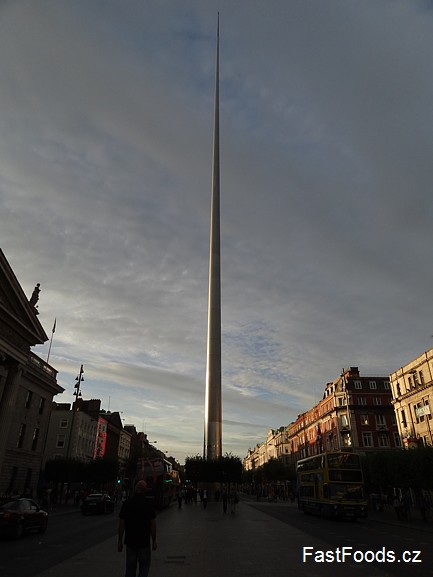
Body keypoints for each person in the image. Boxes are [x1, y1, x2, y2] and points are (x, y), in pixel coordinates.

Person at [118, 480, 157, 577]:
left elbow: (122, 523)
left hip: (130, 541)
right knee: (144, 566)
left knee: (130, 568)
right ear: (145, 490)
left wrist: (120, 540)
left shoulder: (127, 503)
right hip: (144, 541)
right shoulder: (148, 504)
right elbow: (152, 524)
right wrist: (154, 540)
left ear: (135, 489)